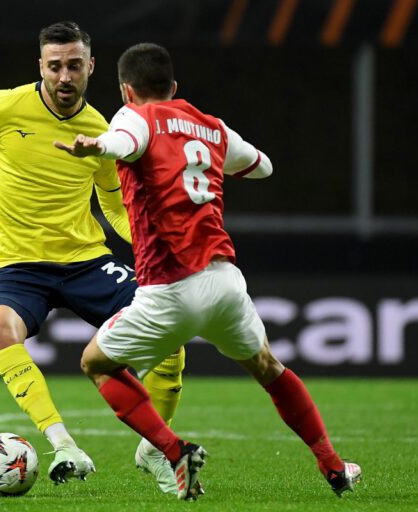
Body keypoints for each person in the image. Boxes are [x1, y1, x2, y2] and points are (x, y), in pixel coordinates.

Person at [55, 42, 361, 500]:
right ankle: (334, 466)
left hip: (169, 289)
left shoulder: (134, 117)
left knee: (95, 363)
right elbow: (263, 166)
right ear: (174, 86)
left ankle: (171, 450)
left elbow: (124, 142)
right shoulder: (212, 127)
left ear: (126, 91)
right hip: (224, 284)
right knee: (268, 367)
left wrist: (97, 146)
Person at [0, 22, 186, 491]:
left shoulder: (103, 131)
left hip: (85, 261)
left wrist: (151, 246)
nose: (65, 76)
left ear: (91, 67)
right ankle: (64, 446)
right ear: (40, 66)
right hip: (18, 266)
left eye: (74, 66)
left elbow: (113, 205)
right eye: (55, 66)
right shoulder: (2, 107)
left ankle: (154, 448)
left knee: (170, 332)